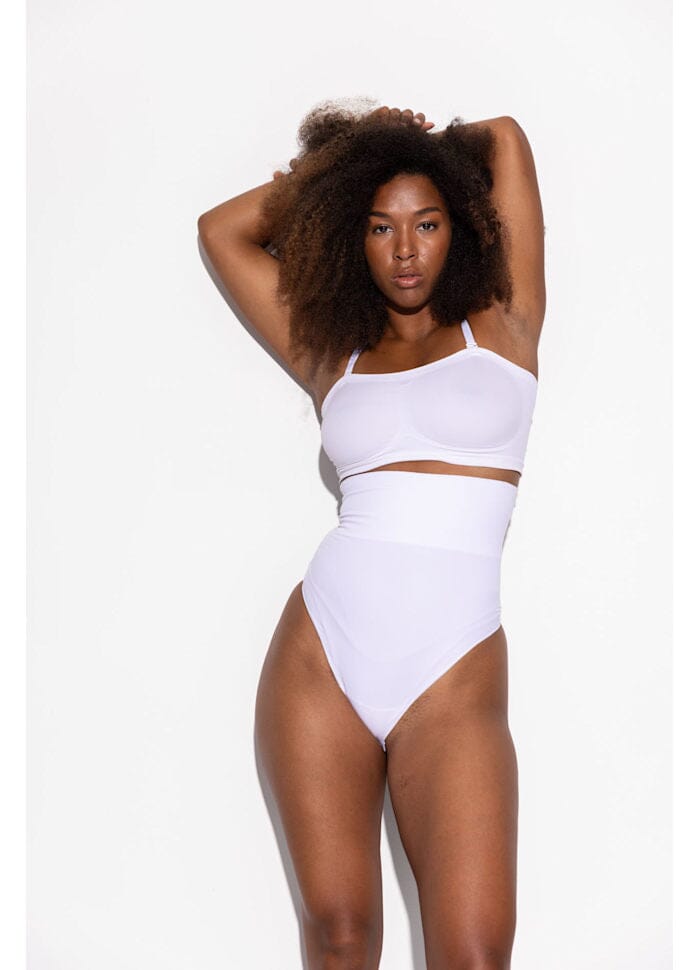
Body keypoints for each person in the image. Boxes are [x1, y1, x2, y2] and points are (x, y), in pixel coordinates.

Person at [197, 102, 545, 970]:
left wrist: (424, 145)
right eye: (379, 226)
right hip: (324, 653)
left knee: (474, 954)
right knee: (341, 938)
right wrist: (342, 167)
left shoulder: (504, 322)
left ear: (458, 227)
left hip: (453, 672)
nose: (405, 249)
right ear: (351, 236)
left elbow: (504, 135)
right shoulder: (333, 354)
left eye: (427, 223)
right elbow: (222, 231)